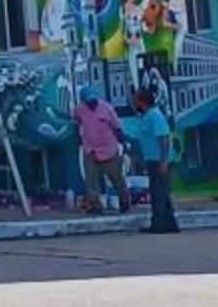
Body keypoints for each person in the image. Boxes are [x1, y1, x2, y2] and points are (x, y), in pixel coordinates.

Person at [122, 85, 179, 233]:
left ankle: (159, 224)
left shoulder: (154, 115)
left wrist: (163, 161)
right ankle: (169, 223)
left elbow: (164, 138)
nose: (133, 103)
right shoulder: (146, 116)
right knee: (162, 192)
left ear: (142, 101)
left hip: (159, 160)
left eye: (135, 100)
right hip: (153, 159)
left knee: (157, 193)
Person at [73, 87, 129, 214]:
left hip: (108, 148)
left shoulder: (107, 108)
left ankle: (124, 201)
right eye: (88, 102)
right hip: (90, 149)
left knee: (117, 178)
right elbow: (76, 122)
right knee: (91, 179)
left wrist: (123, 144)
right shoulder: (79, 109)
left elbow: (117, 127)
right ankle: (95, 205)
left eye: (93, 101)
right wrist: (79, 140)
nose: (91, 104)